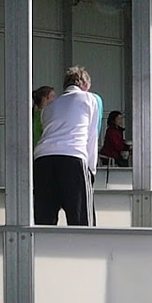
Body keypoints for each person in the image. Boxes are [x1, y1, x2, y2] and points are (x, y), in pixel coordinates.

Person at [33, 66, 101, 225]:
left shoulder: (48, 108)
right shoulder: (90, 99)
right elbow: (92, 137)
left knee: (44, 221)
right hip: (72, 157)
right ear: (84, 84)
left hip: (42, 160)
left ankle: (42, 249)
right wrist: (91, 170)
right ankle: (84, 249)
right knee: (82, 222)